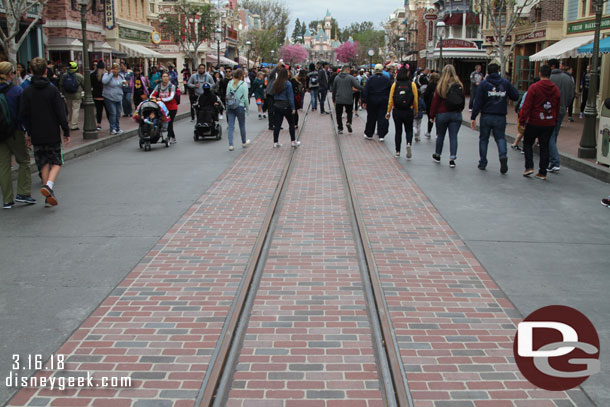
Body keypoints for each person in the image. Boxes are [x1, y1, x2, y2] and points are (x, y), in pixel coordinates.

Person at [19, 57, 70, 207]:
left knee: (43, 162)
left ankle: (48, 196)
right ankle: (49, 186)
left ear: (31, 71)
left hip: (36, 132)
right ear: (45, 71)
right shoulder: (52, 90)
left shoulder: (27, 91)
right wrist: (65, 131)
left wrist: (28, 132)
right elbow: (60, 113)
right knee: (56, 161)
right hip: (51, 131)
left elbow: (23, 114)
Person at [470, 62, 519, 174]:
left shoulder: (484, 84)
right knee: (500, 138)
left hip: (486, 115)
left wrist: (473, 116)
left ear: (487, 72)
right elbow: (515, 96)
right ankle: (502, 155)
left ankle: (483, 162)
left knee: (484, 139)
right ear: (498, 71)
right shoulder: (505, 83)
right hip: (500, 115)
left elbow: (478, 101)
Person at [0, 62, 36, 208]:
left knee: (3, 166)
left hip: (0, 133)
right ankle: (23, 192)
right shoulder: (16, 91)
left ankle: (7, 199)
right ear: (10, 74)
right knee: (24, 161)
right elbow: (23, 114)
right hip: (15, 131)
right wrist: (28, 132)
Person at [519, 64, 560, 181]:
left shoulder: (534, 87)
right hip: (549, 121)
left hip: (535, 121)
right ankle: (542, 172)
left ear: (540, 74)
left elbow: (527, 106)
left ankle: (529, 166)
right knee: (545, 146)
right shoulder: (556, 89)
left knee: (527, 142)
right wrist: (555, 120)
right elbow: (557, 106)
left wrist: (522, 120)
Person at [429, 64, 465, 168]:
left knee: (440, 135)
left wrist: (432, 115)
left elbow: (435, 101)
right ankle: (452, 158)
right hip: (456, 113)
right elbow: (462, 100)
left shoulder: (441, 85)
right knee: (453, 136)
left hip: (442, 113)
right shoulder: (459, 85)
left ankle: (438, 154)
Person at [547, 59, 574, 173]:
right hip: (562, 109)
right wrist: (565, 105)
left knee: (549, 135)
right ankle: (552, 158)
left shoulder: (550, 79)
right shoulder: (568, 78)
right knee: (554, 134)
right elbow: (571, 95)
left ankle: (554, 161)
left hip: (551, 110)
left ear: (552, 66)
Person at [385, 66, 418, 158]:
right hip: (408, 110)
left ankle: (397, 151)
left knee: (398, 131)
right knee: (409, 129)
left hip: (397, 110)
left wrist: (388, 111)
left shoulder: (395, 84)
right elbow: (415, 99)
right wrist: (416, 110)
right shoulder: (412, 84)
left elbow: (391, 99)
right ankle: (408, 143)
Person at [362, 64, 392, 142]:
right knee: (382, 117)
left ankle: (369, 133)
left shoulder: (370, 79)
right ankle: (381, 134)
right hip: (383, 100)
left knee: (371, 117)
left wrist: (364, 100)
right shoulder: (386, 79)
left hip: (372, 100)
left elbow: (366, 90)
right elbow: (390, 90)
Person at [270, 68, 299, 148]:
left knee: (277, 125)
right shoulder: (288, 84)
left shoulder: (275, 83)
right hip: (286, 105)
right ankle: (293, 141)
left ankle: (275, 142)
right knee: (291, 123)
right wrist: (293, 108)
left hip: (277, 105)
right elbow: (290, 96)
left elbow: (272, 93)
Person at [332, 65, 364, 135]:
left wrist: (333, 98)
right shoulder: (351, 78)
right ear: (347, 70)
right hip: (348, 98)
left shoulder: (337, 78)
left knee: (338, 114)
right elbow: (357, 86)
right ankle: (348, 122)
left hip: (339, 98)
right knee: (349, 112)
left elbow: (334, 89)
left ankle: (340, 128)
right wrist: (364, 88)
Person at [511, 77, 540, 152]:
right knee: (528, 131)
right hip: (527, 114)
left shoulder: (528, 91)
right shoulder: (533, 92)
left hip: (522, 113)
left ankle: (515, 144)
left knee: (523, 131)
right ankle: (525, 148)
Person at [225, 69, 250, 151]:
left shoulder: (229, 83)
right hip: (240, 106)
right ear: (241, 75)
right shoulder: (244, 84)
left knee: (231, 126)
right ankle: (243, 142)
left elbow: (227, 96)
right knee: (242, 125)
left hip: (230, 106)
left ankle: (230, 145)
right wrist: (248, 109)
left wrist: (226, 107)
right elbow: (246, 98)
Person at [150, 72, 178, 144]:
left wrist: (160, 99)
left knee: (169, 122)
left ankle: (169, 137)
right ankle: (172, 137)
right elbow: (151, 95)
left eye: (166, 76)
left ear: (168, 78)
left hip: (171, 107)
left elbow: (171, 97)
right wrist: (155, 98)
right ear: (161, 78)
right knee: (160, 121)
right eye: (163, 76)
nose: (165, 78)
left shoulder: (172, 86)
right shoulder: (158, 86)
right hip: (161, 107)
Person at [58, 61, 84, 131]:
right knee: (75, 109)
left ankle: (71, 122)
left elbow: (61, 85)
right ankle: (74, 125)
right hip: (77, 95)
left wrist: (63, 93)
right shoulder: (79, 76)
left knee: (70, 110)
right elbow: (84, 85)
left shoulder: (64, 75)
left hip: (67, 95)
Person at [102, 63, 125, 135]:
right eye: (114, 69)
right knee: (113, 113)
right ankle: (113, 128)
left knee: (118, 113)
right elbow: (104, 82)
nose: (116, 70)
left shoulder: (121, 76)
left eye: (117, 69)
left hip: (119, 97)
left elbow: (123, 84)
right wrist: (111, 74)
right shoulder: (107, 75)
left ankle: (117, 128)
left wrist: (125, 84)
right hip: (109, 97)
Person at [90, 60, 107, 131]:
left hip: (97, 95)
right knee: (108, 111)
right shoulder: (105, 75)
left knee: (99, 110)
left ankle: (99, 124)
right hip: (104, 95)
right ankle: (112, 124)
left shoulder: (92, 75)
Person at [423, 72, 440, 139]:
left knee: (430, 119)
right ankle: (438, 133)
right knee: (438, 120)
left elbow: (426, 95)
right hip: (438, 105)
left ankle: (429, 132)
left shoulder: (430, 85)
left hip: (430, 104)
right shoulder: (440, 86)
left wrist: (426, 102)